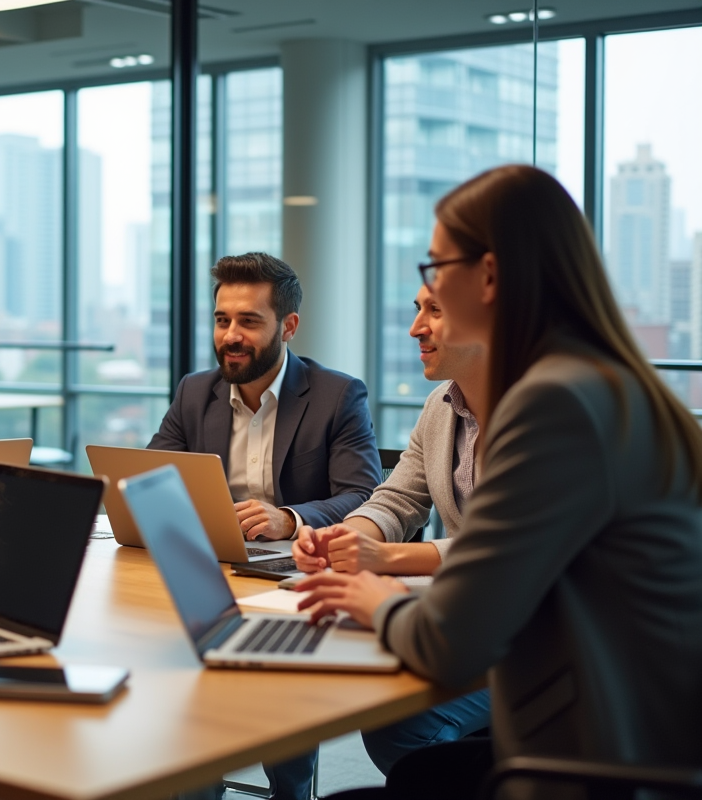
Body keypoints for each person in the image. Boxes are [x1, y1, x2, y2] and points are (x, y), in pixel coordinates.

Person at [294, 165, 702, 798]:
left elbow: (449, 641)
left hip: (597, 770)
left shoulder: (555, 406)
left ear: (488, 276)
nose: (425, 304)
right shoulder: (606, 386)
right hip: (619, 741)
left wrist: (375, 597)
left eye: (436, 268)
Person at [147, 252, 381, 800]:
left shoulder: (337, 395)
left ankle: (289, 789)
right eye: (222, 319)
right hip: (208, 570)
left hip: (290, 573)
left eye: (249, 321)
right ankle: (196, 781)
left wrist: (290, 518)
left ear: (288, 326)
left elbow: (364, 495)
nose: (231, 335)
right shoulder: (194, 392)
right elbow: (153, 477)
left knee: (279, 669)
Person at [266, 286, 490, 792]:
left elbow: (505, 548)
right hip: (472, 610)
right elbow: (397, 498)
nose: (415, 328)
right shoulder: (441, 405)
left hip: (538, 638)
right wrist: (343, 538)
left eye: (436, 310)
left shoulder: (536, 418)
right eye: (417, 310)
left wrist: (384, 557)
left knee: (401, 724)